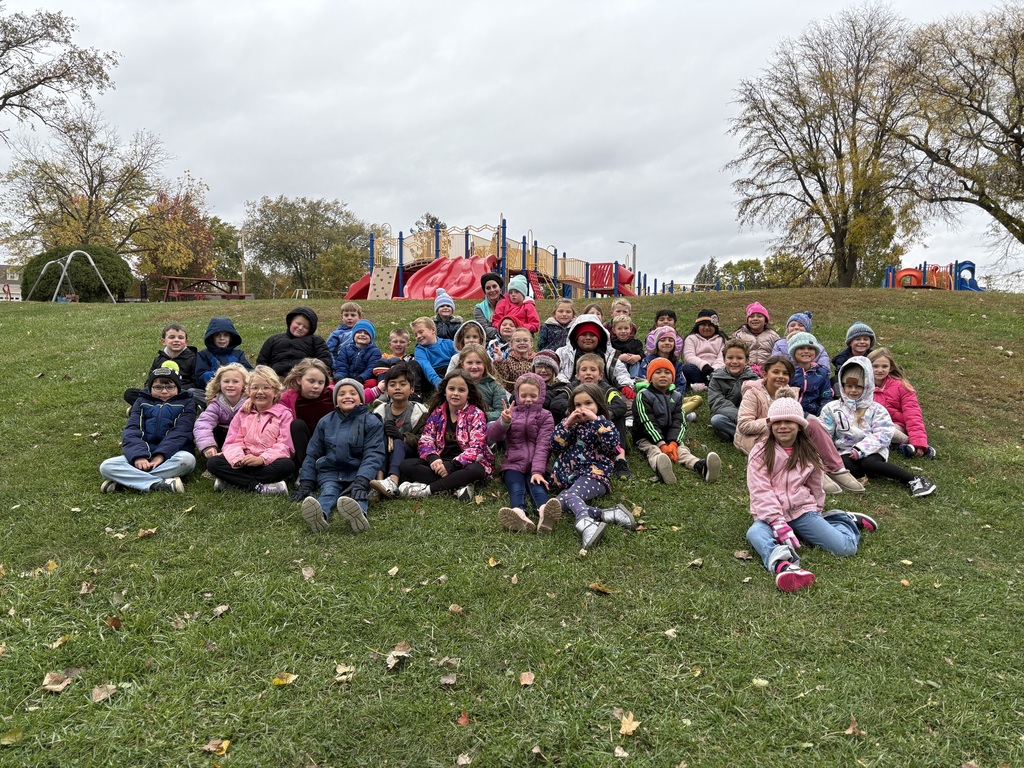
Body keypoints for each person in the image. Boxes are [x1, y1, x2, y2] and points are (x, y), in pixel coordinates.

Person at [745, 391, 878, 593]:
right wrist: (776, 521)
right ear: (770, 425)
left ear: (799, 425)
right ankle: (784, 565)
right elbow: (760, 489)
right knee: (754, 533)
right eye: (777, 422)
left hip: (801, 511)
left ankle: (843, 519)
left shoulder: (808, 451)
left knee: (845, 548)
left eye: (789, 422)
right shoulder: (761, 452)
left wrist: (816, 510)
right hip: (769, 515)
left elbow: (816, 484)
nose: (782, 426)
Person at [735, 356, 865, 494]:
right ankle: (814, 471)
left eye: (785, 373)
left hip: (785, 433)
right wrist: (773, 421)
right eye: (776, 372)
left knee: (812, 423)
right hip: (757, 438)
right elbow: (744, 425)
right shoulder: (753, 393)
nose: (781, 376)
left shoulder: (791, 393)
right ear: (765, 374)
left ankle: (836, 469)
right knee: (789, 433)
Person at [819, 357, 937, 497]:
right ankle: (864, 474)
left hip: (873, 450)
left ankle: (914, 480)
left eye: (858, 387)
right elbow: (824, 433)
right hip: (845, 450)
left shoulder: (876, 409)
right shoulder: (831, 408)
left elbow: (884, 433)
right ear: (842, 386)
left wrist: (861, 449)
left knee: (870, 464)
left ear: (867, 386)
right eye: (849, 386)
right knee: (843, 467)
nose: (853, 390)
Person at [549, 383, 637, 551]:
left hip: (594, 475)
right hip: (570, 477)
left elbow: (613, 447)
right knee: (559, 503)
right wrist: (567, 424)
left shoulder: (605, 425)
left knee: (569, 497)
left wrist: (597, 422)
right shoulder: (568, 424)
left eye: (588, 403)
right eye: (578, 405)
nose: (582, 409)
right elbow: (554, 446)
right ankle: (608, 514)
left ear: (598, 405)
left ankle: (586, 523)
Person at [292, 378, 386, 534]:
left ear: (361, 399)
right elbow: (313, 452)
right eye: (341, 394)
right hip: (331, 471)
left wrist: (363, 480)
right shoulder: (326, 422)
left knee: (358, 494)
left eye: (352, 393)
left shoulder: (371, 421)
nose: (347, 396)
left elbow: (373, 453)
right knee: (328, 491)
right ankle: (319, 516)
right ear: (336, 401)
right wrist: (307, 481)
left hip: (358, 472)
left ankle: (359, 515)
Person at [398, 369, 494, 502]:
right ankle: (458, 484)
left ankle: (428, 490)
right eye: (451, 389)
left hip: (465, 464)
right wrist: (433, 458)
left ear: (469, 394)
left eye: (461, 390)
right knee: (406, 465)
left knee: (477, 470)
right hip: (441, 460)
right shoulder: (437, 412)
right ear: (445, 391)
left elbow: (478, 447)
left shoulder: (476, 414)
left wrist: (452, 466)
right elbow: (426, 439)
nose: (455, 393)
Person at [100, 365, 196, 494]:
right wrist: (138, 457)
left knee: (187, 461)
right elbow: (132, 431)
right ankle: (159, 484)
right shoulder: (141, 402)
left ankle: (126, 482)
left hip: (172, 455)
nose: (164, 391)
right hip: (143, 454)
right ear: (150, 388)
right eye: (158, 387)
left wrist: (160, 455)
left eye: (170, 387)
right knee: (107, 466)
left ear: (178, 388)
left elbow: (181, 432)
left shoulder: (187, 403)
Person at [488, 372, 561, 533]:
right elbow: (493, 437)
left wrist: (537, 471)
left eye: (533, 395)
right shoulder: (511, 413)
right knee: (516, 487)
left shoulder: (546, 416)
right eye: (524, 395)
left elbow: (543, 446)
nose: (528, 399)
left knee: (537, 488)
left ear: (541, 395)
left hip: (538, 465)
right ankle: (519, 514)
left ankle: (544, 513)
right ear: (517, 395)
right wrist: (503, 423)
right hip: (513, 463)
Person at [207, 366, 295, 494]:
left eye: (266, 387)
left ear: (276, 392)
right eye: (255, 388)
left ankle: (233, 481)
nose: (260, 392)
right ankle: (260, 487)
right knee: (213, 463)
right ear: (248, 391)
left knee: (287, 465)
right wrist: (238, 459)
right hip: (243, 462)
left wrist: (262, 459)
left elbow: (284, 445)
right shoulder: (243, 413)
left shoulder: (284, 414)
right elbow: (232, 441)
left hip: (268, 463)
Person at [633, 358, 721, 484]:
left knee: (682, 450)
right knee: (653, 450)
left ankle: (701, 466)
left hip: (669, 435)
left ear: (673, 377)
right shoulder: (643, 395)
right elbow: (646, 422)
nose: (663, 375)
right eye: (658, 372)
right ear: (650, 378)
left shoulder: (677, 396)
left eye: (667, 372)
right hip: (646, 436)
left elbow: (679, 421)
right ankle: (661, 467)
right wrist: (661, 444)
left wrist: (673, 442)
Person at [369, 363, 429, 499]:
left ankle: (393, 481)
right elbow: (370, 437)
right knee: (381, 440)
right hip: (385, 450)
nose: (397, 388)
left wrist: (403, 437)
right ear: (386, 390)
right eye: (392, 384)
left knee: (397, 442)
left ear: (412, 389)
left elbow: (424, 439)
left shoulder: (419, 411)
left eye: (403, 384)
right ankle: (379, 481)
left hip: (410, 452)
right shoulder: (380, 411)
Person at [868, 347, 935, 459]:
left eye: (884, 366)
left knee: (887, 431)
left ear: (891, 368)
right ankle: (900, 446)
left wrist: (918, 441)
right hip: (869, 425)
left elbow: (913, 414)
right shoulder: (862, 387)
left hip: (894, 425)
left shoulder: (902, 386)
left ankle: (911, 443)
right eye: (875, 366)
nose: (880, 370)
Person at [572, 353, 631, 479]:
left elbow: (620, 405)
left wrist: (598, 415)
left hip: (602, 432)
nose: (588, 373)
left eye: (593, 370)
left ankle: (620, 458)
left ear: (600, 376)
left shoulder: (608, 389)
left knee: (619, 416)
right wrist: (574, 413)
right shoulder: (572, 388)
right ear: (577, 375)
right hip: (579, 432)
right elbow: (557, 403)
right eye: (584, 370)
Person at [124, 323, 201, 408]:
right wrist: (153, 390)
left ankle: (150, 408)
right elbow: (149, 380)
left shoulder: (193, 358)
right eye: (171, 337)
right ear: (163, 341)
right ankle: (160, 408)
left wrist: (175, 390)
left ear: (186, 342)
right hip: (159, 393)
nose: (176, 340)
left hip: (180, 393)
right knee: (130, 393)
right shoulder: (159, 359)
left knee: (192, 394)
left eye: (181, 337)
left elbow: (195, 383)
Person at [280, 358, 334, 476]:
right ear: (299, 379)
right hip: (303, 443)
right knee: (297, 424)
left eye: (320, 382)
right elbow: (268, 402)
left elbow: (357, 394)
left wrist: (378, 389)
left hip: (328, 440)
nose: (316, 386)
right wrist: (250, 402)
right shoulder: (288, 398)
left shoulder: (331, 394)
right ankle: (304, 469)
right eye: (311, 381)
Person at [555, 314, 633, 394]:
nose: (588, 338)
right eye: (584, 334)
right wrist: (566, 387)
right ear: (576, 337)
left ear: (598, 338)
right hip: (572, 393)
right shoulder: (563, 353)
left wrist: (625, 385)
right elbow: (557, 373)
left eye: (592, 335)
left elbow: (620, 372)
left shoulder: (609, 354)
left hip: (605, 393)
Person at [256, 307, 333, 378]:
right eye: (298, 323)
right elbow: (262, 362)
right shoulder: (274, 339)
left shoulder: (316, 340)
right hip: (276, 378)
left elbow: (325, 362)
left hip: (303, 378)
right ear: (290, 322)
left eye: (305, 327)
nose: (300, 328)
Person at [708, 339, 760, 444]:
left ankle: (739, 435)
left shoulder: (755, 379)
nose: (734, 362)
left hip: (749, 416)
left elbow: (759, 402)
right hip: (729, 416)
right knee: (717, 420)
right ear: (724, 359)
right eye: (730, 358)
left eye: (739, 358)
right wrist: (739, 417)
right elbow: (717, 403)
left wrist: (749, 418)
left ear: (747, 360)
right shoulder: (716, 378)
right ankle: (748, 437)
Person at [194, 363, 248, 460]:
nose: (230, 385)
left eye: (235, 381)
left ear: (244, 384)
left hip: (244, 439)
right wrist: (208, 445)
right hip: (223, 438)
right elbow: (203, 424)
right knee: (214, 428)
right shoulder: (216, 404)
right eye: (226, 381)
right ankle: (217, 452)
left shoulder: (250, 403)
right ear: (219, 384)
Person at [194, 317, 253, 387]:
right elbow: (199, 377)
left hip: (236, 390)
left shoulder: (238, 354)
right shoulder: (203, 355)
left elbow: (249, 372)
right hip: (212, 391)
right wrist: (220, 375)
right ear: (211, 337)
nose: (222, 338)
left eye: (225, 335)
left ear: (230, 338)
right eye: (217, 335)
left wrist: (234, 375)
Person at [457, 343, 509, 422]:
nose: (474, 366)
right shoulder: (454, 384)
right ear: (462, 364)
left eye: (478, 362)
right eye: (469, 363)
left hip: (486, 425)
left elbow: (502, 411)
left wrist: (478, 415)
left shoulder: (494, 386)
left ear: (485, 364)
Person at [788, 332, 833, 417]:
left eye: (810, 348)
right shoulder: (788, 371)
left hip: (814, 415)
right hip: (790, 412)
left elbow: (826, 396)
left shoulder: (821, 373)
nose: (806, 351)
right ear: (793, 352)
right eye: (801, 348)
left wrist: (822, 413)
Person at [681, 309, 728, 389]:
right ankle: (711, 383)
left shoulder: (722, 339)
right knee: (687, 368)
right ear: (698, 326)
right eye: (703, 325)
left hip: (717, 370)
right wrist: (704, 366)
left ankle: (706, 384)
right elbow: (689, 356)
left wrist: (714, 370)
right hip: (699, 369)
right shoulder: (691, 338)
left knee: (729, 369)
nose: (707, 327)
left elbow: (723, 356)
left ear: (715, 326)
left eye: (710, 325)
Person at [411, 317, 456, 394]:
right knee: (412, 364)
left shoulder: (449, 343)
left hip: (450, 373)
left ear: (433, 330)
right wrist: (437, 382)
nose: (418, 336)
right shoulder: (420, 350)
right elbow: (425, 366)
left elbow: (459, 360)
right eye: (416, 334)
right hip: (430, 377)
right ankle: (417, 394)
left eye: (421, 332)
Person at [730, 302, 779, 374]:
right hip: (744, 370)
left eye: (759, 316)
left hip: (767, 370)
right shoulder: (739, 335)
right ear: (747, 321)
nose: (755, 319)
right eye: (752, 316)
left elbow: (778, 354)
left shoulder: (773, 336)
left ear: (765, 321)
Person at [332, 319, 381, 384]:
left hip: (363, 380)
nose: (362, 335)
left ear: (371, 337)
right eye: (359, 332)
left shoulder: (375, 352)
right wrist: (340, 377)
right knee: (331, 383)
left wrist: (361, 378)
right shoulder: (345, 349)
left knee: (372, 383)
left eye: (366, 333)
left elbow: (370, 369)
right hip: (347, 379)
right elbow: (341, 366)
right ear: (354, 335)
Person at [531, 350, 571, 424]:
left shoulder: (562, 388)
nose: (543, 370)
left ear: (554, 370)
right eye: (539, 366)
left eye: (548, 367)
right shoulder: (525, 384)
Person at [609, 314, 644, 379]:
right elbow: (609, 357)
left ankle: (635, 379)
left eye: (626, 328)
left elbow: (642, 354)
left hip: (633, 367)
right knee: (621, 363)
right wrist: (620, 357)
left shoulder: (636, 343)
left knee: (635, 363)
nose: (623, 331)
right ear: (614, 330)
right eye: (619, 328)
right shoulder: (612, 344)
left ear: (630, 329)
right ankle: (623, 379)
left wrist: (636, 357)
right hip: (619, 370)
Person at [474, 272, 504, 340]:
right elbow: (483, 330)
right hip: (488, 343)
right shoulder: (479, 308)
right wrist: (504, 332)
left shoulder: (509, 303)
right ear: (485, 291)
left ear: (500, 288)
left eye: (494, 286)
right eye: (488, 288)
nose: (492, 290)